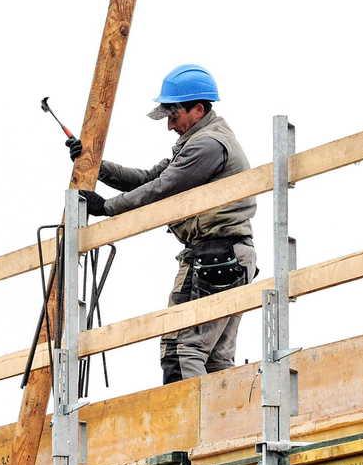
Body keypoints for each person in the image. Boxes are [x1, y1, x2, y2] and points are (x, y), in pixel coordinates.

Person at [67, 64, 256, 384]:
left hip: (216, 254)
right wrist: (94, 164)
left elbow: (162, 189)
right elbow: (147, 179)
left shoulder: (206, 146)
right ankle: (232, 426)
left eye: (174, 115)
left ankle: (194, 433)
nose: (170, 125)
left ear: (198, 109)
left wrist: (108, 208)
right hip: (226, 254)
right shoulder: (200, 142)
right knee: (213, 358)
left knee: (182, 351)